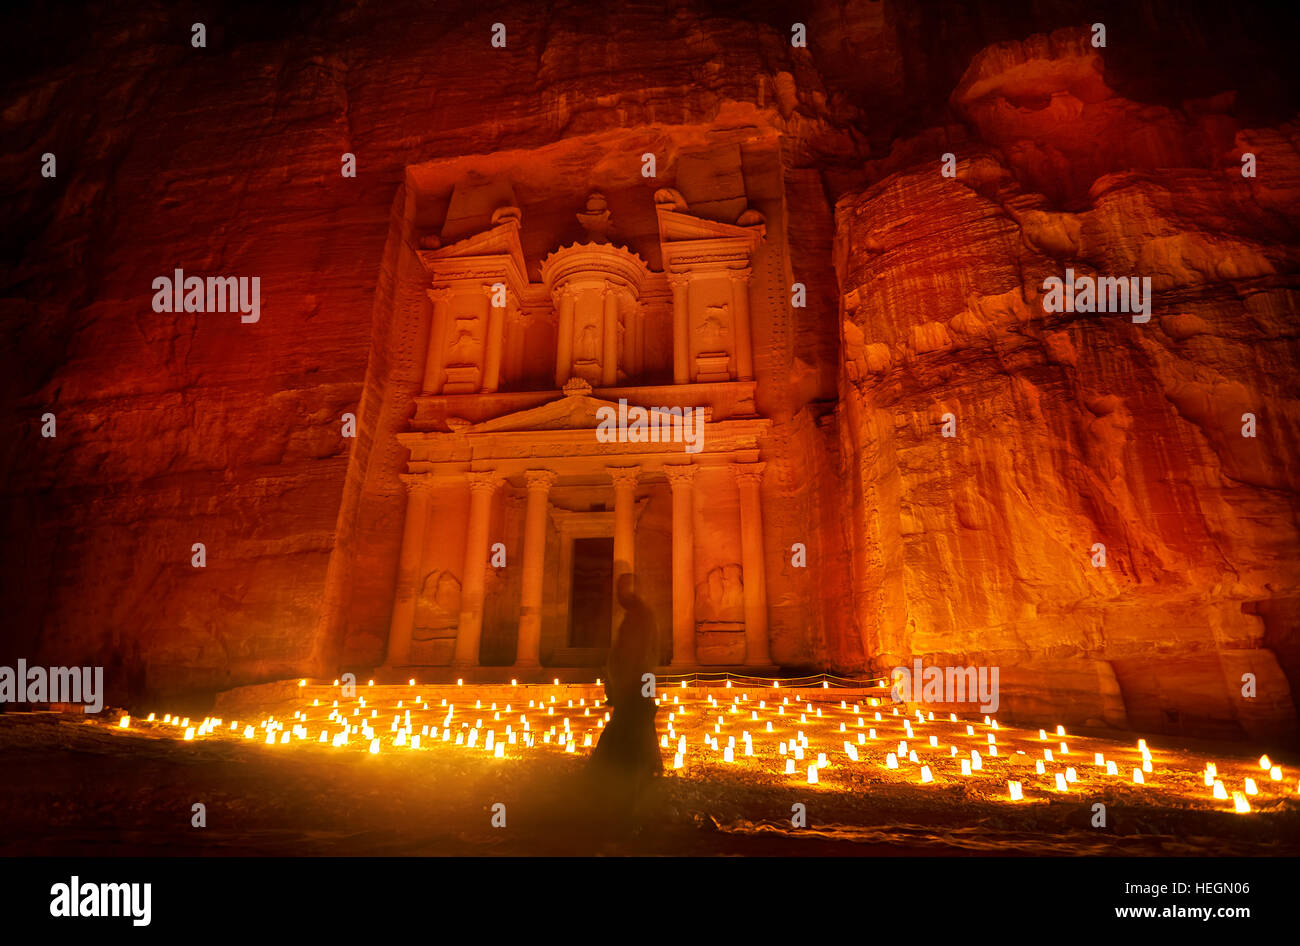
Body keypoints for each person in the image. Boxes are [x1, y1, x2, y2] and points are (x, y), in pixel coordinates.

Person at [588, 571, 662, 799]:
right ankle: (639, 779)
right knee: (636, 731)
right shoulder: (638, 615)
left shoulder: (641, 617)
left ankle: (617, 784)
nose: (618, 595)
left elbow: (643, 656)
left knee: (628, 732)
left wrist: (625, 686)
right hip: (633, 688)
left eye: (622, 589)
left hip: (632, 687)